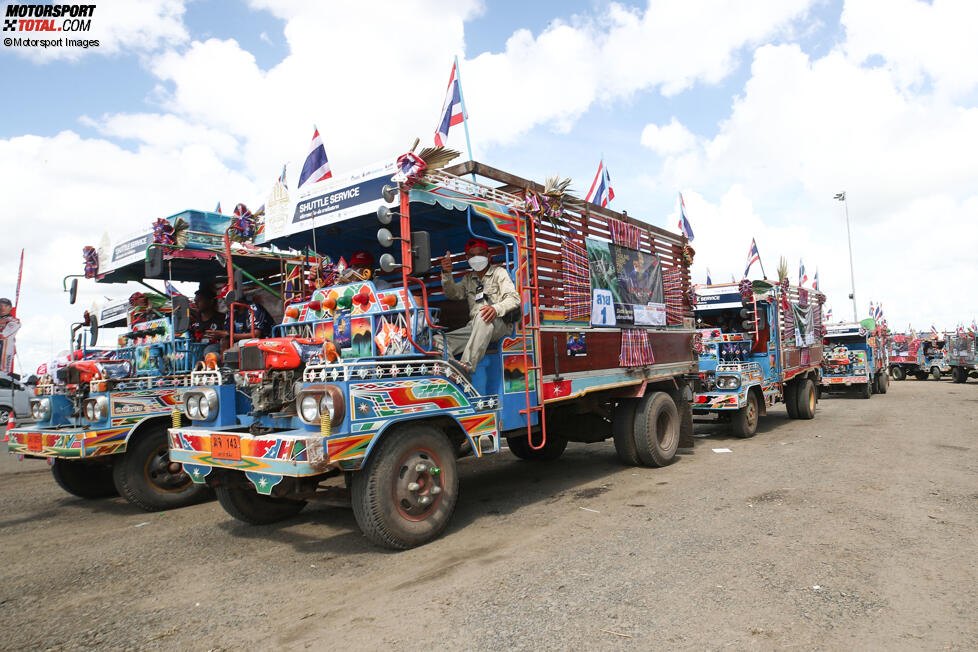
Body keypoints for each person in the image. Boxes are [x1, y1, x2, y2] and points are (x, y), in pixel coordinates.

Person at [437, 238, 519, 374]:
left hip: (499, 324)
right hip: (475, 326)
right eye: (472, 255)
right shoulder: (468, 279)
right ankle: (450, 371)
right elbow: (453, 294)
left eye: (480, 254)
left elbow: (514, 299)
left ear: (488, 256)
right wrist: (447, 273)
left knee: (483, 316)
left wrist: (495, 309)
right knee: (438, 339)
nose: (477, 258)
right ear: (467, 258)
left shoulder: (499, 273)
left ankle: (465, 367)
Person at [191, 285, 226, 354]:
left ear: (211, 301)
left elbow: (226, 338)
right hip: (197, 350)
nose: (196, 303)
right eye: (195, 301)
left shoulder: (222, 318)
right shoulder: (194, 318)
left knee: (209, 350)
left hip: (214, 350)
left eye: (199, 300)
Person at [0, 298, 20, 374]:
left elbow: (4, 334)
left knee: (4, 372)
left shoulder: (14, 321)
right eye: (0, 305)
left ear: (10, 308)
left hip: (6, 349)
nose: (2, 308)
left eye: (5, 306)